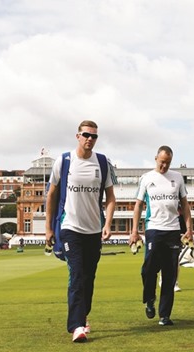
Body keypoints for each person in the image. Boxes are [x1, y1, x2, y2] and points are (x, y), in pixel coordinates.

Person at [45, 120, 117, 342]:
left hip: (93, 230)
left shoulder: (103, 163)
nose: (90, 139)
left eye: (94, 136)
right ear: (78, 136)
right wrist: (48, 228)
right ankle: (76, 326)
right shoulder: (64, 161)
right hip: (70, 228)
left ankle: (83, 317)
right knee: (76, 275)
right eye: (86, 135)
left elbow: (111, 198)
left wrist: (107, 224)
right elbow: (51, 195)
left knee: (88, 277)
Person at [129, 146, 193, 326]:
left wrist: (188, 228)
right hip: (154, 229)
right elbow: (138, 205)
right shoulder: (147, 178)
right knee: (148, 269)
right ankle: (150, 299)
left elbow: (185, 206)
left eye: (168, 162)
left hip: (173, 231)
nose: (164, 165)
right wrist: (134, 231)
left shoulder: (178, 178)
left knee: (170, 274)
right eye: (162, 161)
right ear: (156, 158)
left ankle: (165, 315)